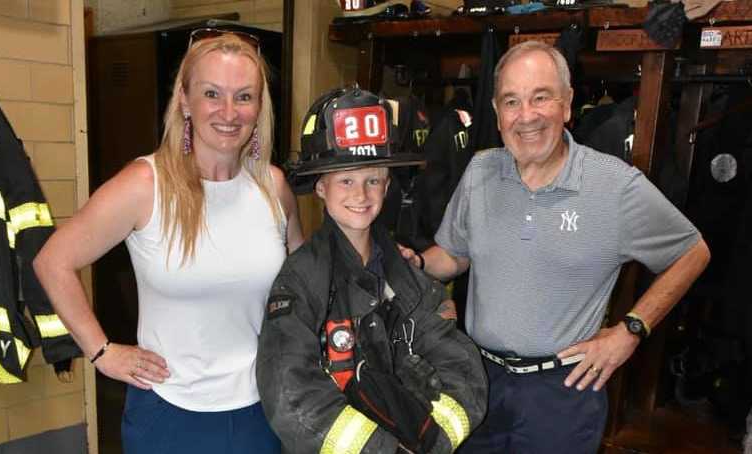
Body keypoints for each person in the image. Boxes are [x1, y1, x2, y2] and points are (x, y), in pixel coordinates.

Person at [400, 40, 711, 453]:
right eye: (511, 102)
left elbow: (693, 252)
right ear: (496, 111)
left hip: (563, 393)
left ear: (567, 104)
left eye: (540, 97)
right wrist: (417, 263)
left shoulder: (614, 185)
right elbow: (455, 254)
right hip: (477, 378)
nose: (526, 116)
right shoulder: (480, 171)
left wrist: (631, 330)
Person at [34, 29, 304, 454]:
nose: (229, 112)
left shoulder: (273, 187)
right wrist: (102, 352)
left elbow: (304, 276)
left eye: (243, 96)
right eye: (212, 94)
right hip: (168, 410)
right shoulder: (146, 184)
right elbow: (53, 262)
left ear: (259, 106)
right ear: (185, 101)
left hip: (260, 407)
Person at [256, 87, 488, 454]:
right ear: (320, 187)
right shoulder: (300, 282)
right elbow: (289, 394)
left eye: (373, 180)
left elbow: (463, 372)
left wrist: (432, 441)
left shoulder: (412, 282)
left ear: (387, 184)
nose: (361, 195)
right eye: (346, 180)